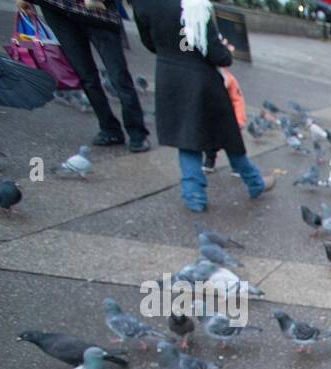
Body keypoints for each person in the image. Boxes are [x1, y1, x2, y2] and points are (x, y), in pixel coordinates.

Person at [133, 0, 275, 212]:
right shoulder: (194, 5)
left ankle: (194, 197)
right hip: (201, 79)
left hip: (169, 76)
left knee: (187, 138)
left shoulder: (145, 3)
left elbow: (149, 42)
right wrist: (225, 50)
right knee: (229, 136)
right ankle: (255, 182)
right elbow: (216, 53)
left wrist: (174, 51)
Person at [17, 0, 149, 151]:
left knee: (118, 77)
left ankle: (137, 133)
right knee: (86, 76)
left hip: (98, 12)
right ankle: (109, 129)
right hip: (57, 9)